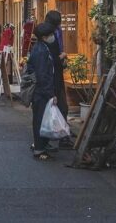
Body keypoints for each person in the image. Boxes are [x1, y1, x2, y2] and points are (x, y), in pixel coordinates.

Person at [26, 21, 58, 160]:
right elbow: (42, 75)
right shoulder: (41, 51)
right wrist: (51, 94)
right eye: (51, 34)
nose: (53, 36)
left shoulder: (41, 47)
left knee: (41, 118)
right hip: (41, 91)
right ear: (44, 37)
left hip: (41, 90)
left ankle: (40, 144)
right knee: (40, 118)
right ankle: (39, 149)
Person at [43, 10, 72, 148]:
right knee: (52, 104)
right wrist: (62, 56)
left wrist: (61, 57)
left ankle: (61, 136)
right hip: (50, 74)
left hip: (56, 73)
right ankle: (47, 137)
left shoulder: (57, 32)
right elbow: (50, 57)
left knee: (60, 105)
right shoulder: (48, 35)